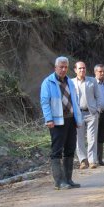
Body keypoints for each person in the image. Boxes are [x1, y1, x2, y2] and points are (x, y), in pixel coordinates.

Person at [40, 56, 83, 190]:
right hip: (57, 121)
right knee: (57, 151)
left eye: (65, 67)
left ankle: (68, 179)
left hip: (71, 120)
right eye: (61, 67)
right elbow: (45, 102)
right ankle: (59, 181)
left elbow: (74, 101)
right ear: (55, 68)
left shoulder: (70, 82)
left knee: (70, 149)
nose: (63, 69)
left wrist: (77, 119)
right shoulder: (48, 82)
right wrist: (49, 119)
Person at [73, 60, 102, 169]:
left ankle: (92, 160)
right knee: (78, 138)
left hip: (91, 113)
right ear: (75, 70)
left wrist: (98, 110)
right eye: (80, 68)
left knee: (92, 138)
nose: (82, 70)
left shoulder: (92, 81)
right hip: (78, 114)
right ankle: (83, 160)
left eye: (84, 68)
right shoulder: (71, 82)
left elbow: (98, 96)